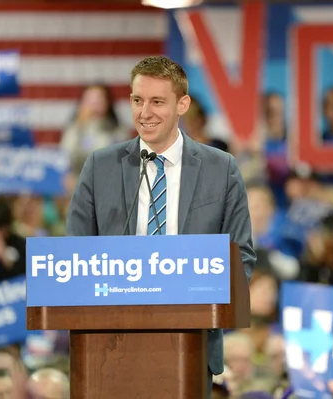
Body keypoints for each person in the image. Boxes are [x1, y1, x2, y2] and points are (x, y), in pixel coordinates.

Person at [66, 55, 256, 397]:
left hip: (190, 343)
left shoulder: (221, 168)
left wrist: (204, 301)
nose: (144, 113)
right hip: (109, 346)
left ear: (182, 104)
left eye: (157, 102)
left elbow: (240, 253)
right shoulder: (99, 166)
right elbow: (75, 253)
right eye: (138, 100)